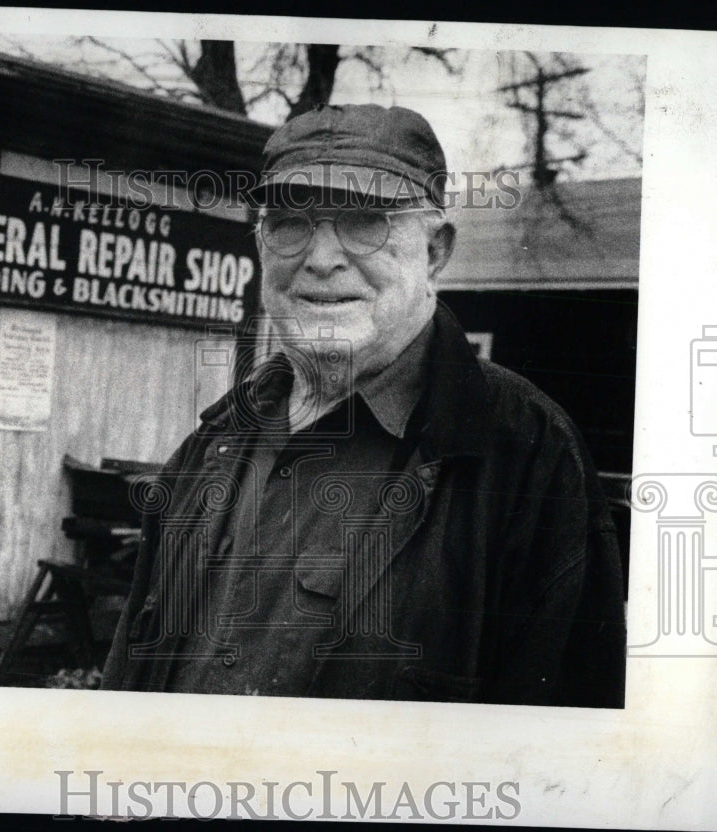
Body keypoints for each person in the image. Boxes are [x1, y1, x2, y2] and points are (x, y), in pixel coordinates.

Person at [101, 103, 626, 707]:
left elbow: (561, 765)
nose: (321, 258)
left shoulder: (526, 459)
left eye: (364, 219)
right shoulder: (212, 444)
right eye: (289, 222)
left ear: (435, 252)